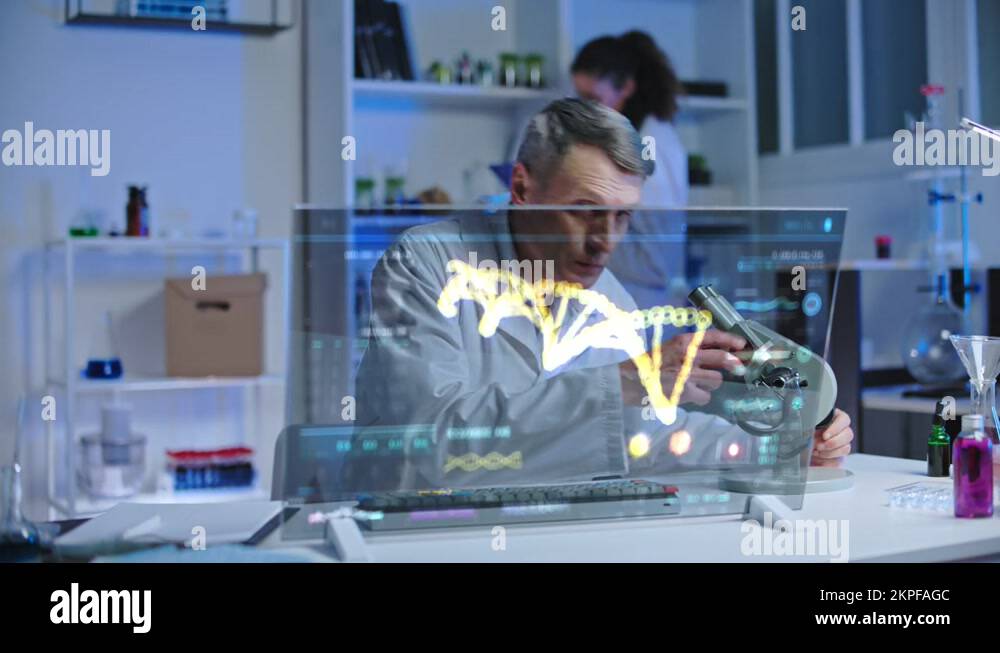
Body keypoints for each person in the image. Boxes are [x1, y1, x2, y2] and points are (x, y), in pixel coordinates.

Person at [352, 99, 852, 492]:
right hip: (414, 535)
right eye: (583, 210)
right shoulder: (425, 263)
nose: (605, 241)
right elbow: (436, 446)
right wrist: (626, 380)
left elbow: (647, 439)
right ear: (522, 189)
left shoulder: (608, 297)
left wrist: (784, 449)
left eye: (622, 216)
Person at [572, 31, 688, 311]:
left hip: (646, 307)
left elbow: (655, 263)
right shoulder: (632, 137)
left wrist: (575, 236)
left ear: (625, 88)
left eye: (593, 98)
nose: (584, 109)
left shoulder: (653, 145)